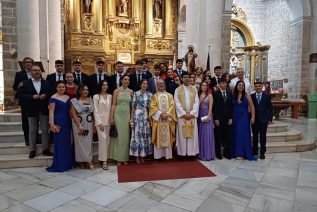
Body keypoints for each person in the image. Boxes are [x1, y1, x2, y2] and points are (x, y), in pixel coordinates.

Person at [17, 65, 52, 159]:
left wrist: (46, 95)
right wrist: (31, 97)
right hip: (31, 109)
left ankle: (45, 149)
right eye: (34, 70)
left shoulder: (46, 82)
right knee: (32, 130)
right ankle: (32, 150)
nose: (37, 72)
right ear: (31, 72)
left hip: (44, 110)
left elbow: (51, 92)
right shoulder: (25, 83)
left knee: (45, 129)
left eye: (38, 70)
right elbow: (19, 95)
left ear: (41, 72)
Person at [46, 81, 74, 172]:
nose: (61, 88)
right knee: (60, 144)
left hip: (67, 122)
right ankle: (60, 164)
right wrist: (52, 125)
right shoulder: (53, 98)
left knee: (67, 143)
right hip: (58, 122)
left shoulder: (67, 97)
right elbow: (51, 112)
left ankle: (67, 164)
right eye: (59, 87)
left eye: (63, 87)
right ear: (56, 88)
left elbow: (70, 111)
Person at [174, 72, 200, 158]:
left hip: (192, 116)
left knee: (192, 135)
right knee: (182, 135)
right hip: (182, 116)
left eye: (188, 77)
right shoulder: (177, 89)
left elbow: (197, 102)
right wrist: (184, 113)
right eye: (184, 77)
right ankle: (182, 154)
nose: (187, 79)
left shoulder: (194, 89)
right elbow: (176, 103)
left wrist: (192, 113)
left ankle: (191, 153)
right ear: (181, 79)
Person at [149, 79, 177, 160]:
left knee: (167, 136)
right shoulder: (154, 96)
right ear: (156, 85)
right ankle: (158, 156)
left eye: (162, 83)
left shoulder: (170, 95)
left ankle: (168, 156)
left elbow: (172, 106)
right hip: (159, 120)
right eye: (159, 84)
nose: (161, 85)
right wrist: (160, 114)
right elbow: (152, 107)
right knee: (158, 136)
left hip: (167, 119)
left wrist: (167, 114)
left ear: (164, 84)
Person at [109, 75, 133, 165]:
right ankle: (118, 158)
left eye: (128, 80)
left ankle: (124, 157)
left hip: (127, 116)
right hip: (118, 115)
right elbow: (113, 105)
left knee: (126, 137)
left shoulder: (131, 92)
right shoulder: (116, 91)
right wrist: (111, 117)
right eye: (125, 79)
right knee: (118, 137)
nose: (127, 81)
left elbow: (132, 107)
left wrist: (131, 118)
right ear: (121, 80)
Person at [70, 84, 94, 169]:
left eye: (87, 90)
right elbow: (73, 114)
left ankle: (89, 160)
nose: (85, 91)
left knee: (88, 142)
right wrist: (79, 126)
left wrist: (94, 125)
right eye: (83, 90)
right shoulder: (74, 100)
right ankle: (80, 161)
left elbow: (92, 113)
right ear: (79, 91)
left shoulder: (90, 99)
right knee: (79, 143)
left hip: (89, 122)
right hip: (78, 123)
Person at [129, 79, 153, 163]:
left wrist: (150, 117)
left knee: (144, 136)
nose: (145, 85)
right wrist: (131, 119)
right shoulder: (136, 93)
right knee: (137, 136)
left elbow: (150, 107)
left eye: (146, 84)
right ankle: (136, 156)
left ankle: (143, 156)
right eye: (143, 83)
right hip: (137, 116)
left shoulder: (149, 94)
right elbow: (133, 107)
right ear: (140, 85)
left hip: (146, 116)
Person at [232, 80, 256, 160]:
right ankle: (236, 152)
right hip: (235, 116)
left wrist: (253, 117)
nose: (241, 86)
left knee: (243, 134)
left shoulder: (246, 94)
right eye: (239, 85)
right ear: (237, 86)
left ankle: (243, 153)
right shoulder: (233, 94)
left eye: (242, 85)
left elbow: (252, 106)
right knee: (236, 134)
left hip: (244, 117)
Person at [13, 57, 34, 146]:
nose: (28, 64)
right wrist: (19, 85)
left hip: (34, 101)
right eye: (26, 62)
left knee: (34, 121)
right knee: (25, 121)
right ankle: (27, 139)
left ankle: (34, 137)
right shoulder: (19, 74)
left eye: (30, 62)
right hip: (25, 101)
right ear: (24, 64)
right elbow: (14, 87)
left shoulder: (36, 73)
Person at [251, 81, 273, 159]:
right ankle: (255, 152)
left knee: (263, 137)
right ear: (254, 87)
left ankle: (262, 152)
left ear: (262, 86)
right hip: (255, 120)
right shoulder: (252, 96)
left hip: (264, 120)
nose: (257, 87)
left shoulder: (266, 96)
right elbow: (250, 108)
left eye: (259, 86)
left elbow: (270, 108)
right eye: (256, 86)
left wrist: (270, 118)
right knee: (255, 137)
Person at [93, 80, 112, 170]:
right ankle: (104, 161)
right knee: (103, 140)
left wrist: (111, 119)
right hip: (100, 122)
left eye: (106, 85)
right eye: (103, 85)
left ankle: (104, 158)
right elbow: (95, 110)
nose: (105, 86)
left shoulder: (110, 96)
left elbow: (112, 109)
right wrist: (98, 122)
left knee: (107, 140)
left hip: (108, 121)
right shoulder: (96, 96)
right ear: (100, 86)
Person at [213, 77, 233, 159]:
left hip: (227, 118)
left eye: (225, 83)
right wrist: (216, 118)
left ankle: (227, 153)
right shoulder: (215, 94)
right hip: (219, 118)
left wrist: (231, 118)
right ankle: (218, 154)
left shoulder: (229, 94)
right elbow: (214, 107)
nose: (224, 84)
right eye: (222, 83)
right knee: (218, 136)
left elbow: (231, 107)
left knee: (227, 136)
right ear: (219, 84)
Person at [197, 81, 215, 161]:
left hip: (207, 115)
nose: (204, 86)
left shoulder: (210, 95)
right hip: (199, 115)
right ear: (200, 87)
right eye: (203, 85)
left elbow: (211, 107)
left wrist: (208, 116)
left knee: (207, 135)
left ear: (207, 87)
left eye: (205, 85)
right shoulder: (198, 95)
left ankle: (207, 154)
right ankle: (201, 153)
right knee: (201, 134)